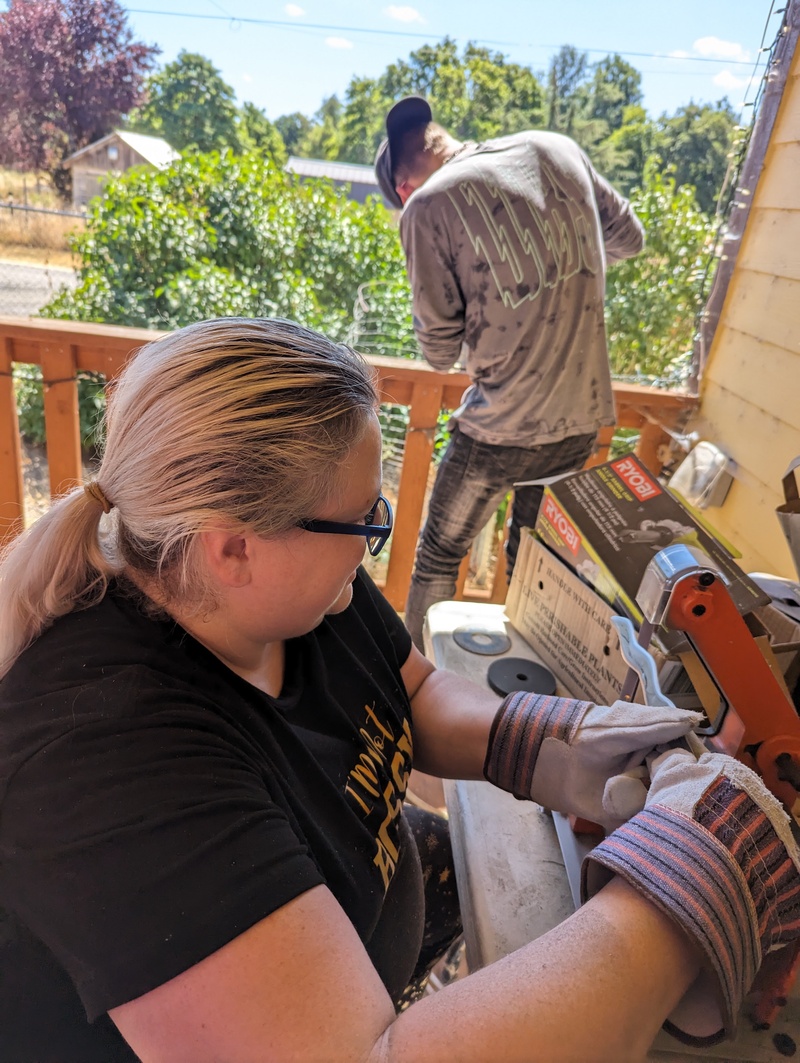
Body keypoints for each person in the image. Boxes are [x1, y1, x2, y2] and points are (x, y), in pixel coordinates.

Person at [1, 316, 799, 1063]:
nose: (375, 539)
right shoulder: (108, 760)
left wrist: (557, 743)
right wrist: (685, 885)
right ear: (233, 549)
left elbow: (410, 689)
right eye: (363, 524)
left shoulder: (296, 587)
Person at [374, 97, 645, 650]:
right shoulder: (555, 147)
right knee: (537, 571)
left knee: (439, 557)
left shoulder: (426, 207)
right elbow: (627, 239)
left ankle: (417, 687)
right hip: (580, 419)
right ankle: (530, 702)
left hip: (499, 427)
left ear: (402, 189)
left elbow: (439, 351)